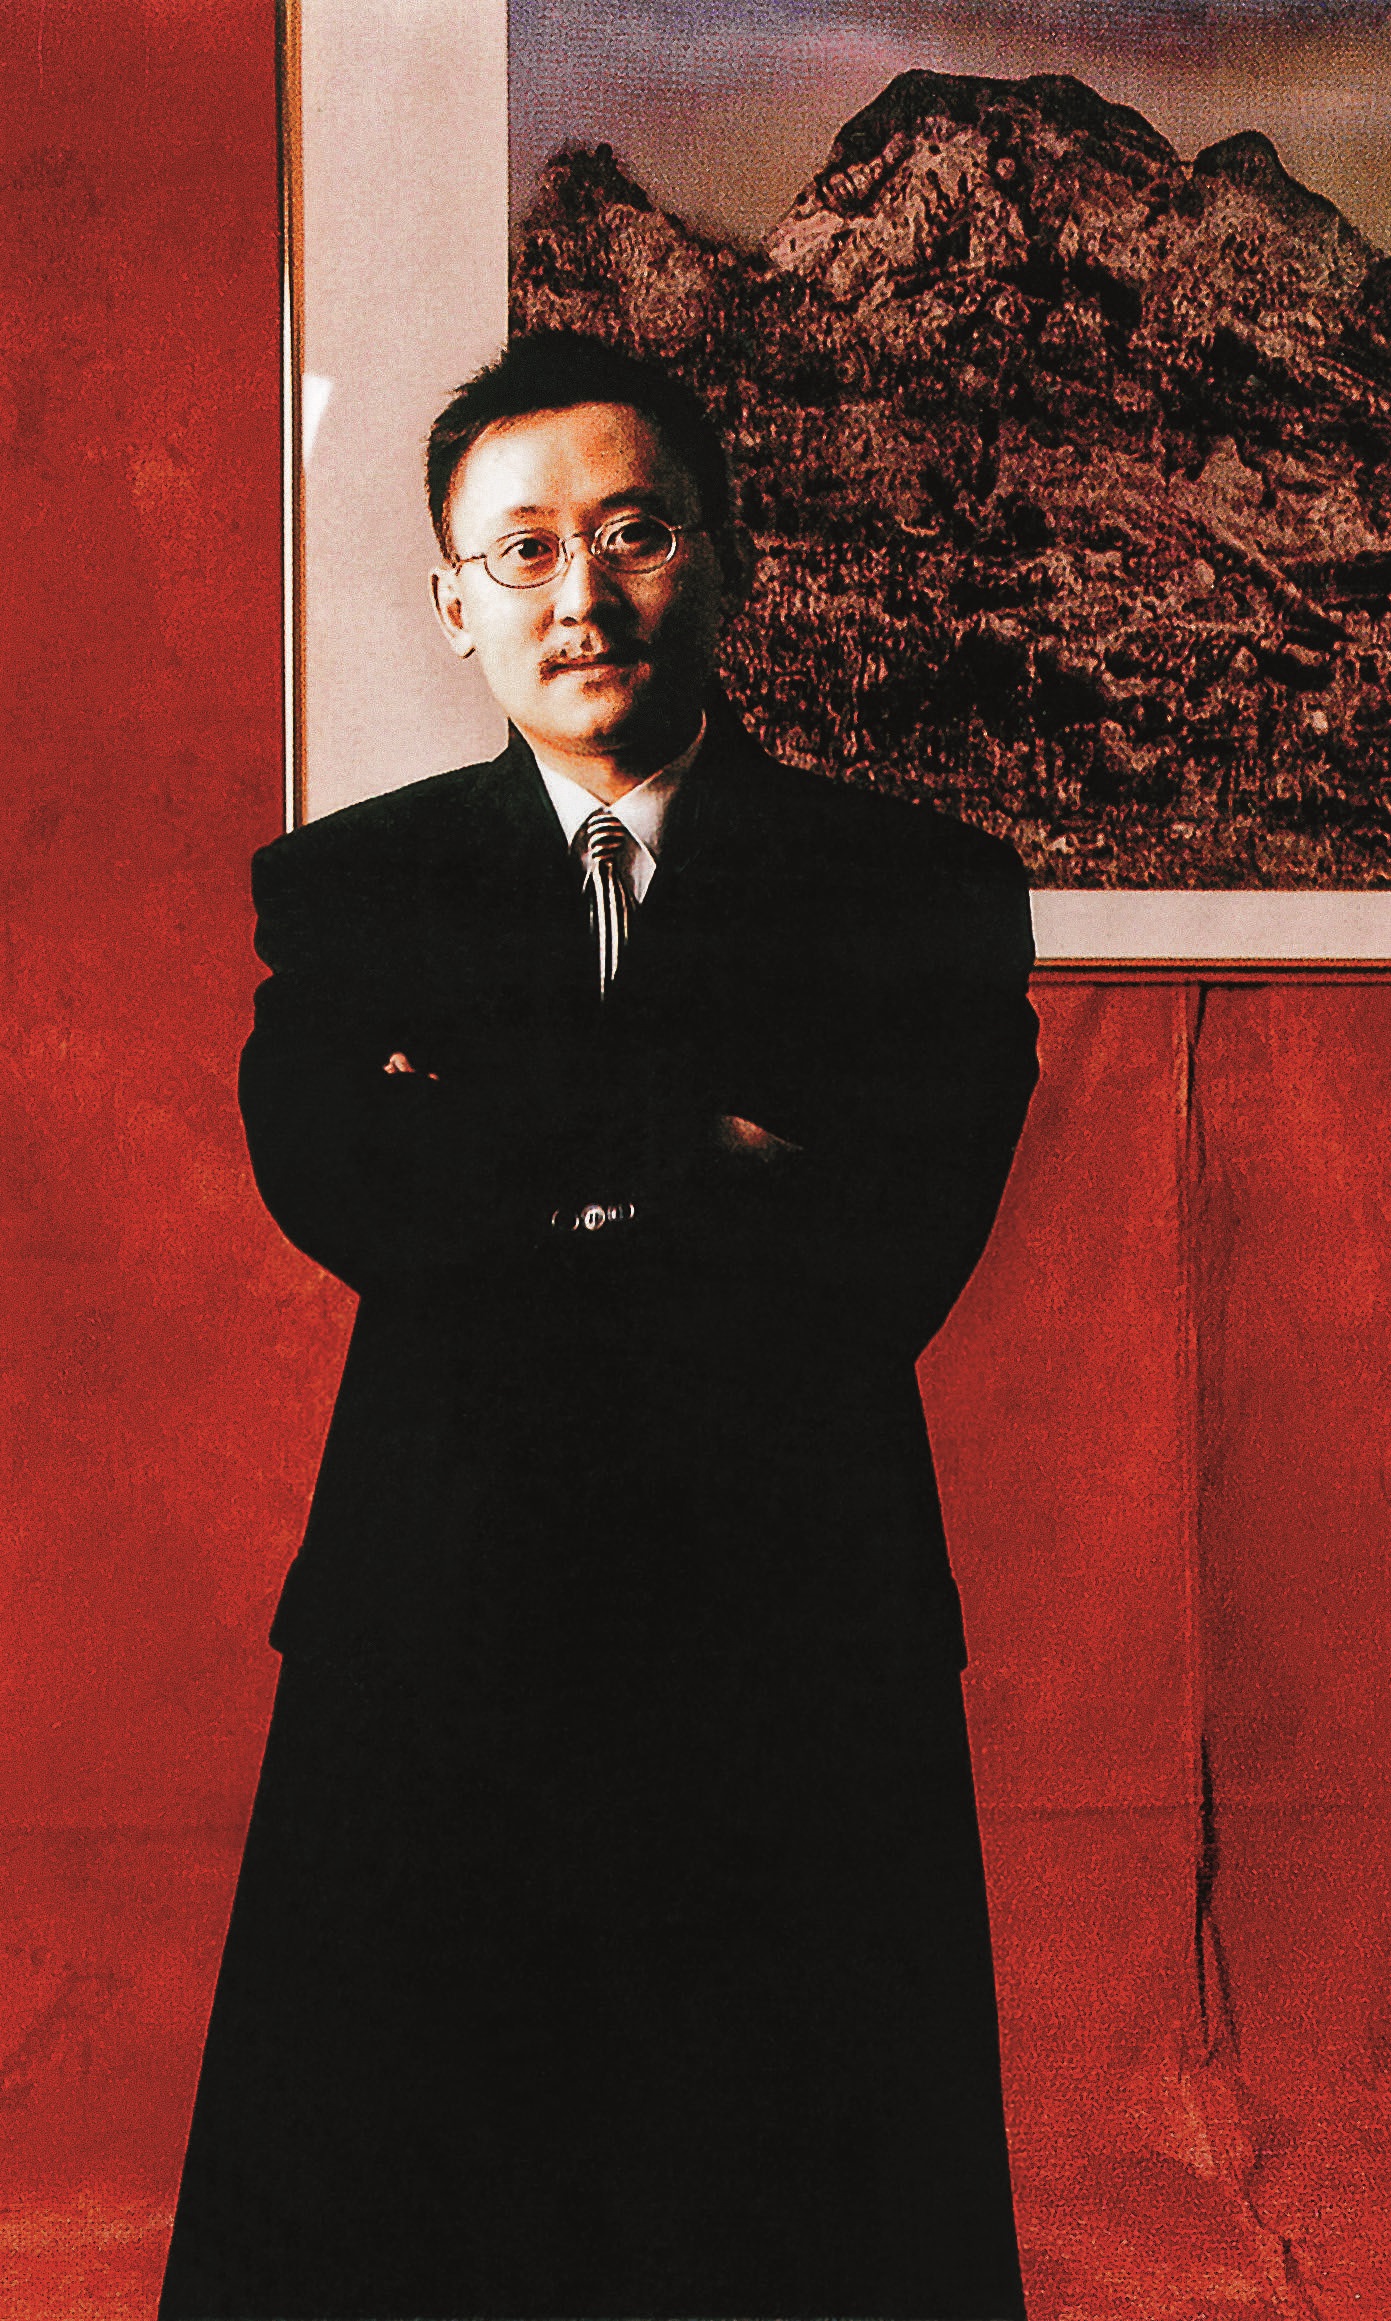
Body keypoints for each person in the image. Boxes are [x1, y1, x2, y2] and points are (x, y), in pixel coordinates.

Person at [160, 330, 1039, 2321]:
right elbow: (334, 1181)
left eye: (635, 534)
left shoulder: (919, 891)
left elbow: (887, 1247)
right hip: (437, 1611)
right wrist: (706, 1145)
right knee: (401, 2197)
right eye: (527, 549)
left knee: (801, 2203)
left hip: (794, 1618)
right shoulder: (348, 891)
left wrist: (486, 1134)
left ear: (728, 560)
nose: (583, 595)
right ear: (453, 601)